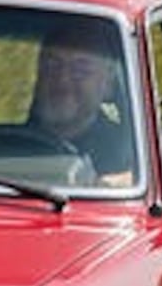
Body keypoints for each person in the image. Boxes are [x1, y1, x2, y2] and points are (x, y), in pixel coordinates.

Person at [29, 17, 137, 182]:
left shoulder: (130, 152)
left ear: (107, 85)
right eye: (52, 65)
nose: (62, 80)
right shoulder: (1, 146)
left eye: (80, 70)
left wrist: (127, 179)